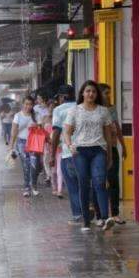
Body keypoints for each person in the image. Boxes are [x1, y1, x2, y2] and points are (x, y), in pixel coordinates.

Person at [64, 80, 115, 232]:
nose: (91, 94)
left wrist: (110, 156)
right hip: (80, 151)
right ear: (82, 94)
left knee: (99, 182)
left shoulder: (103, 111)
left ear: (96, 94)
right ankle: (86, 220)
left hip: (99, 150)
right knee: (84, 184)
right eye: (88, 91)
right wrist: (70, 145)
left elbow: (108, 135)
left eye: (93, 91)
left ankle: (105, 218)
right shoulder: (74, 111)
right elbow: (67, 131)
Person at [50, 85, 81, 224]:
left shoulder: (59, 110)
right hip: (84, 152)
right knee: (85, 184)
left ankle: (78, 216)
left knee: (73, 187)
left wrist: (52, 155)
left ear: (62, 97)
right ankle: (90, 210)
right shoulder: (82, 107)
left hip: (68, 153)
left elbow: (56, 133)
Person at [99, 83, 128, 224]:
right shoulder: (95, 110)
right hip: (99, 150)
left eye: (109, 93)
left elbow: (117, 127)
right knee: (99, 181)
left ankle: (115, 213)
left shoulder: (111, 109)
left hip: (113, 148)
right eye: (106, 93)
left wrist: (123, 146)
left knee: (113, 181)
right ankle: (101, 215)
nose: (108, 96)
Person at [9, 96, 40, 197]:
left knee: (34, 165)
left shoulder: (36, 115)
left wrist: (36, 126)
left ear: (33, 105)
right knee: (26, 166)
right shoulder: (17, 115)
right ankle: (27, 187)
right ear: (23, 104)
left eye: (30, 104)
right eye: (26, 104)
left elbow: (42, 128)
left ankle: (34, 186)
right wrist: (11, 146)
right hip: (21, 143)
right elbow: (13, 131)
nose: (28, 106)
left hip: (34, 142)